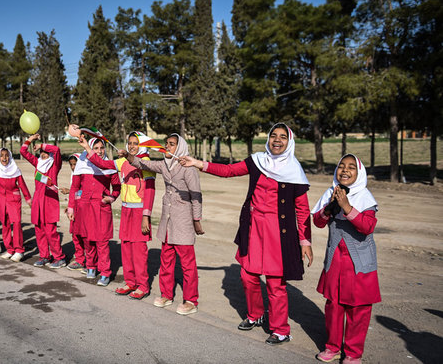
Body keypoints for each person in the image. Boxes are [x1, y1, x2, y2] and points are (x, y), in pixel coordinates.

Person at [180, 123, 313, 340]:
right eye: (273, 136)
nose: (277, 140)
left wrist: (304, 241)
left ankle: (281, 330)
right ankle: (255, 314)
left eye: (282, 137)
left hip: (279, 234)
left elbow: (302, 209)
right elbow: (229, 170)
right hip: (253, 228)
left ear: (290, 142)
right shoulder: (258, 161)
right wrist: (197, 163)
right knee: (247, 275)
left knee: (274, 282)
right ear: (268, 138)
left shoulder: (294, 171)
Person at [121, 133, 203, 315]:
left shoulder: (188, 170)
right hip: (167, 221)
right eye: (166, 144)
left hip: (183, 221)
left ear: (180, 148)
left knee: (188, 264)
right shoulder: (164, 165)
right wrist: (128, 156)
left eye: (171, 144)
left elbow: (196, 196)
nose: (167, 147)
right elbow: (144, 164)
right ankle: (166, 294)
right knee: (166, 260)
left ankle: (191, 300)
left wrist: (197, 220)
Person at [311, 154, 380, 364]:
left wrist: (347, 206)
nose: (345, 170)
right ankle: (332, 347)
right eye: (341, 166)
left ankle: (353, 353)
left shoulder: (365, 197)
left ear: (359, 174)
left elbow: (367, 227)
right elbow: (318, 222)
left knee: (358, 310)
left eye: (351, 167)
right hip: (335, 262)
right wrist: (330, 206)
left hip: (359, 264)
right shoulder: (330, 193)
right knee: (334, 306)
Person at [81, 132, 156, 299]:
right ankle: (130, 282)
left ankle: (143, 286)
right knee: (126, 248)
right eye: (130, 143)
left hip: (139, 212)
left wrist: (146, 215)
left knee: (138, 251)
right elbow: (102, 163)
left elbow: (150, 191)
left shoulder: (146, 163)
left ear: (141, 144)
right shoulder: (122, 162)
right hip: (126, 210)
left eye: (135, 143)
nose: (132, 146)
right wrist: (87, 147)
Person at [68, 137, 121, 286]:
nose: (99, 151)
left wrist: (111, 198)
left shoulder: (109, 166)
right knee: (87, 239)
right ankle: (91, 266)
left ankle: (105, 272)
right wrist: (71, 207)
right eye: (96, 148)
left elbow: (117, 188)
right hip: (84, 207)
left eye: (101, 148)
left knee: (102, 241)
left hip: (101, 207)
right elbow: (74, 188)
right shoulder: (81, 165)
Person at [20, 134, 66, 268]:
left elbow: (56, 150)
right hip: (38, 202)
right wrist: (30, 139)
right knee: (39, 230)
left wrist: (42, 145)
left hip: (50, 202)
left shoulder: (54, 165)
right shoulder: (37, 163)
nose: (44, 155)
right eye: (42, 153)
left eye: (46, 153)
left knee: (51, 231)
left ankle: (59, 257)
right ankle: (44, 255)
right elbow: (23, 151)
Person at [60, 154, 87, 272]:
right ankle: (80, 260)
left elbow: (83, 192)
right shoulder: (74, 176)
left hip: (84, 210)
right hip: (74, 210)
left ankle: (90, 263)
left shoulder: (86, 174)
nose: (73, 166)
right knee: (75, 235)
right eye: (71, 164)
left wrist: (70, 192)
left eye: (75, 164)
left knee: (86, 236)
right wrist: (69, 205)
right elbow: (75, 193)